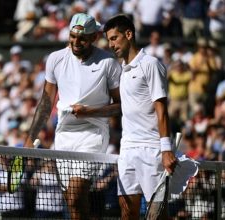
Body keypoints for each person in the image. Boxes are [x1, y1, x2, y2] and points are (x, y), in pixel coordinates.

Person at [23, 13, 122, 220]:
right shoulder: (55, 59)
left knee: (77, 195)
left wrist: (90, 112)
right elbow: (46, 102)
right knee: (73, 204)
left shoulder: (108, 62)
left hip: (93, 135)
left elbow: (122, 106)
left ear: (94, 37)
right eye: (73, 36)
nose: (76, 42)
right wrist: (30, 137)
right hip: (64, 136)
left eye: (82, 38)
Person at [103, 15, 177, 219]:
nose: (111, 44)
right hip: (127, 149)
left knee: (157, 216)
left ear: (129, 34)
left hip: (152, 150)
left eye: (114, 38)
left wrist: (166, 149)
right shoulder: (121, 71)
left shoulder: (151, 64)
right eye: (109, 40)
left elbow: (161, 108)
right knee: (127, 213)